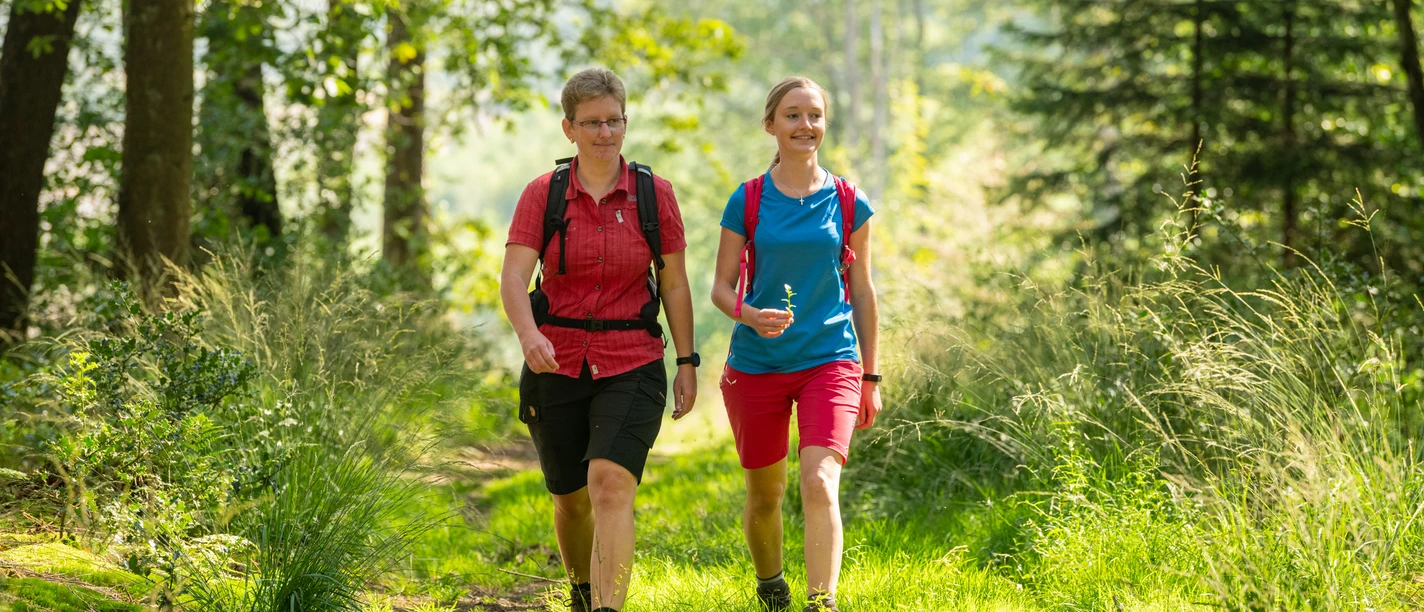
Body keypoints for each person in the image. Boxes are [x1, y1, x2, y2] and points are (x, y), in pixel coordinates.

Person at [499, 68, 700, 612]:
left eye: (613, 121)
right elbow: (514, 278)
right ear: (569, 128)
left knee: (610, 484)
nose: (604, 133)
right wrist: (528, 335)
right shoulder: (544, 194)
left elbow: (675, 283)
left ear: (625, 122)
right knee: (569, 499)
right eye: (591, 122)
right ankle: (583, 593)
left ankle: (609, 607)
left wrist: (687, 361)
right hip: (554, 363)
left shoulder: (655, 196)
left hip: (632, 359)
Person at [709, 76, 882, 612]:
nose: (805, 125)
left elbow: (863, 289)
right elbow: (718, 288)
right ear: (771, 125)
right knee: (765, 494)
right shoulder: (749, 199)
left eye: (814, 115)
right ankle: (771, 585)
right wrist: (749, 314)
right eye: (792, 115)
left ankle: (821, 602)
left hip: (830, 360)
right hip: (756, 364)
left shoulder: (850, 201)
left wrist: (871, 376)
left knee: (819, 478)